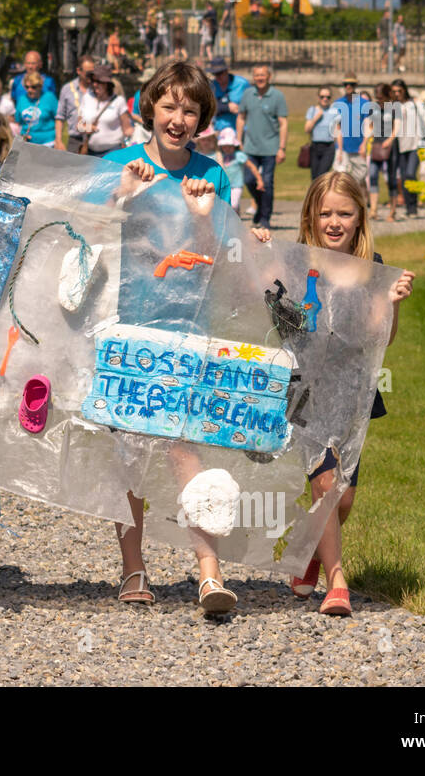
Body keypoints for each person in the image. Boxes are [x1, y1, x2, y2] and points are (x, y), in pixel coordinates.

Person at [102, 61, 268, 612]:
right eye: (169, 106)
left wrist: (204, 215)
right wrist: (120, 197)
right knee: (130, 453)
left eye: (190, 110)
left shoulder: (212, 174)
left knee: (183, 446)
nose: (178, 118)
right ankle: (133, 569)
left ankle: (209, 572)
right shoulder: (118, 164)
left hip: (188, 326)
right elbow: (85, 234)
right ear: (148, 108)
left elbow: (219, 258)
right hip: (128, 326)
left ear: (203, 119)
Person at [291, 171, 414, 615]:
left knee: (342, 498)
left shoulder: (373, 269)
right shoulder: (295, 261)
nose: (334, 221)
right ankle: (336, 578)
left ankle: (308, 553)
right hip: (304, 392)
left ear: (361, 217)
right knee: (324, 483)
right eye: (325, 213)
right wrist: (260, 245)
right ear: (310, 216)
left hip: (351, 393)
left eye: (345, 212)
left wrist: (392, 304)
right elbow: (261, 298)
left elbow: (379, 337)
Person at [235, 64, 287, 230]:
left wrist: (282, 148)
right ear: (253, 77)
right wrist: (238, 141)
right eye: (257, 75)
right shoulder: (248, 94)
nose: (260, 78)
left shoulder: (277, 96)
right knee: (249, 180)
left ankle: (265, 217)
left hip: (271, 148)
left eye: (263, 75)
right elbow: (241, 117)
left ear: (269, 77)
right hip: (250, 147)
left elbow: (283, 123)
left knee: (267, 183)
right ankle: (259, 204)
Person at [76, 63, 133, 155]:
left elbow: (127, 129)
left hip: (113, 151)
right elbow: (79, 126)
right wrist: (86, 128)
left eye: (99, 81)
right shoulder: (86, 97)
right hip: (90, 152)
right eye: (93, 81)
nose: (95, 84)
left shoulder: (118, 101)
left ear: (107, 84)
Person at [389, 79, 425, 218]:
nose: (397, 94)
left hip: (415, 145)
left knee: (410, 174)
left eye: (399, 91)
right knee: (404, 177)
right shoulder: (393, 106)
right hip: (400, 146)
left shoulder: (415, 104)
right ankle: (409, 207)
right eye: (394, 91)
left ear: (404, 90)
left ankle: (413, 206)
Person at [209, 126, 262, 213]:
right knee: (224, 205)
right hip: (224, 185)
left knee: (233, 205)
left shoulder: (239, 156)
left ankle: (235, 213)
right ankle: (232, 220)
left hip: (236, 185)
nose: (227, 148)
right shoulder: (219, 156)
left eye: (229, 146)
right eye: (224, 146)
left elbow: (251, 166)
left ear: (234, 145)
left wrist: (259, 179)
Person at [367, 82, 396, 220]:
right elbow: (370, 127)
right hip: (377, 144)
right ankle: (373, 210)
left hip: (391, 147)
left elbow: (397, 128)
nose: (378, 100)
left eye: (380, 98)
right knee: (372, 175)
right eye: (377, 98)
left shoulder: (394, 109)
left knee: (391, 179)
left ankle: (392, 211)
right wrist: (365, 142)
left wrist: (389, 140)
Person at [54, 54, 95, 152]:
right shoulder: (67, 89)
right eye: (87, 73)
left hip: (94, 140)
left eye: (92, 73)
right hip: (75, 140)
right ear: (79, 71)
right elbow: (60, 117)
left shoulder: (98, 88)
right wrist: (58, 140)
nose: (91, 76)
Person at [14, 72, 59, 146]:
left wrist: (58, 139)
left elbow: (58, 119)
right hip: (27, 143)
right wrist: (21, 136)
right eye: (27, 87)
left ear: (40, 86)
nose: (30, 90)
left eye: (33, 87)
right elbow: (18, 122)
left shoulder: (49, 97)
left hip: (47, 142)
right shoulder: (22, 99)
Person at [304, 86, 338, 180]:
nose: (325, 99)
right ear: (318, 97)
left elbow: (338, 131)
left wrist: (340, 151)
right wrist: (316, 118)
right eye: (322, 96)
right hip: (315, 147)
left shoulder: (334, 111)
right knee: (314, 177)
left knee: (322, 176)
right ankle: (315, 195)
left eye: (328, 97)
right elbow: (307, 129)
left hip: (328, 147)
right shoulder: (312, 110)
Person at [207, 57, 248, 134]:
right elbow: (208, 108)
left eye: (220, 73)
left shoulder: (242, 84)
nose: (218, 77)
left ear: (226, 71)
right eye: (215, 74)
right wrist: (227, 107)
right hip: (219, 131)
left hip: (240, 131)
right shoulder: (212, 86)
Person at [377, 7, 392, 73]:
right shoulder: (382, 20)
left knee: (387, 52)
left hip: (388, 38)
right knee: (386, 52)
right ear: (385, 13)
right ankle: (384, 66)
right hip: (384, 38)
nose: (389, 14)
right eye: (388, 13)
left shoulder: (389, 21)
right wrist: (380, 39)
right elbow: (378, 30)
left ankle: (384, 65)